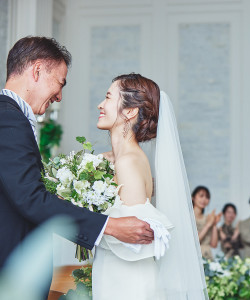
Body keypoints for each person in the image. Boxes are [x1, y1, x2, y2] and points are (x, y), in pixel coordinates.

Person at [0, 37, 153, 294]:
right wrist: (111, 226)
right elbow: (30, 198)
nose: (59, 96)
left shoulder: (10, 117)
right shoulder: (9, 118)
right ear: (37, 70)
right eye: (60, 83)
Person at [92, 73, 208, 299]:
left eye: (108, 97)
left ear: (130, 111)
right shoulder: (114, 160)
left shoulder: (128, 162)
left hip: (126, 283)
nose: (100, 104)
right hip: (113, 274)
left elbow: (136, 237)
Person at [192, 186, 221, 260]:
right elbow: (194, 242)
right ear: (193, 197)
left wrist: (214, 224)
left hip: (208, 257)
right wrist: (208, 225)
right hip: (194, 257)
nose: (204, 199)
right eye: (201, 196)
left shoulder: (208, 218)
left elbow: (214, 245)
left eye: (207, 197)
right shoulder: (188, 218)